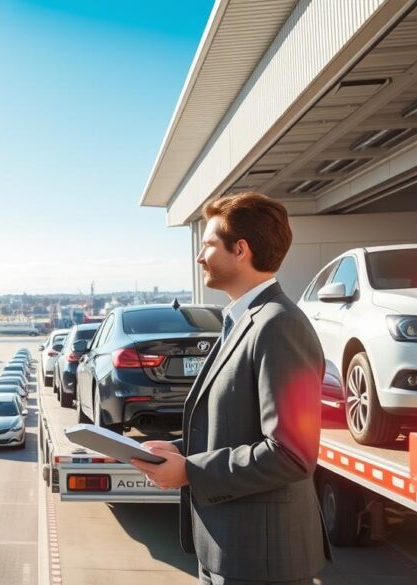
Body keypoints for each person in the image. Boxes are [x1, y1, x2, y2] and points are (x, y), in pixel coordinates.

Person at [131, 192, 330, 585]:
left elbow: (291, 454)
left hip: (260, 562)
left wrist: (190, 471)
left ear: (240, 249)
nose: (199, 256)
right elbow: (235, 427)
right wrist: (179, 449)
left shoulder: (279, 326)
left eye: (208, 244)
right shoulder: (242, 321)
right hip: (231, 550)